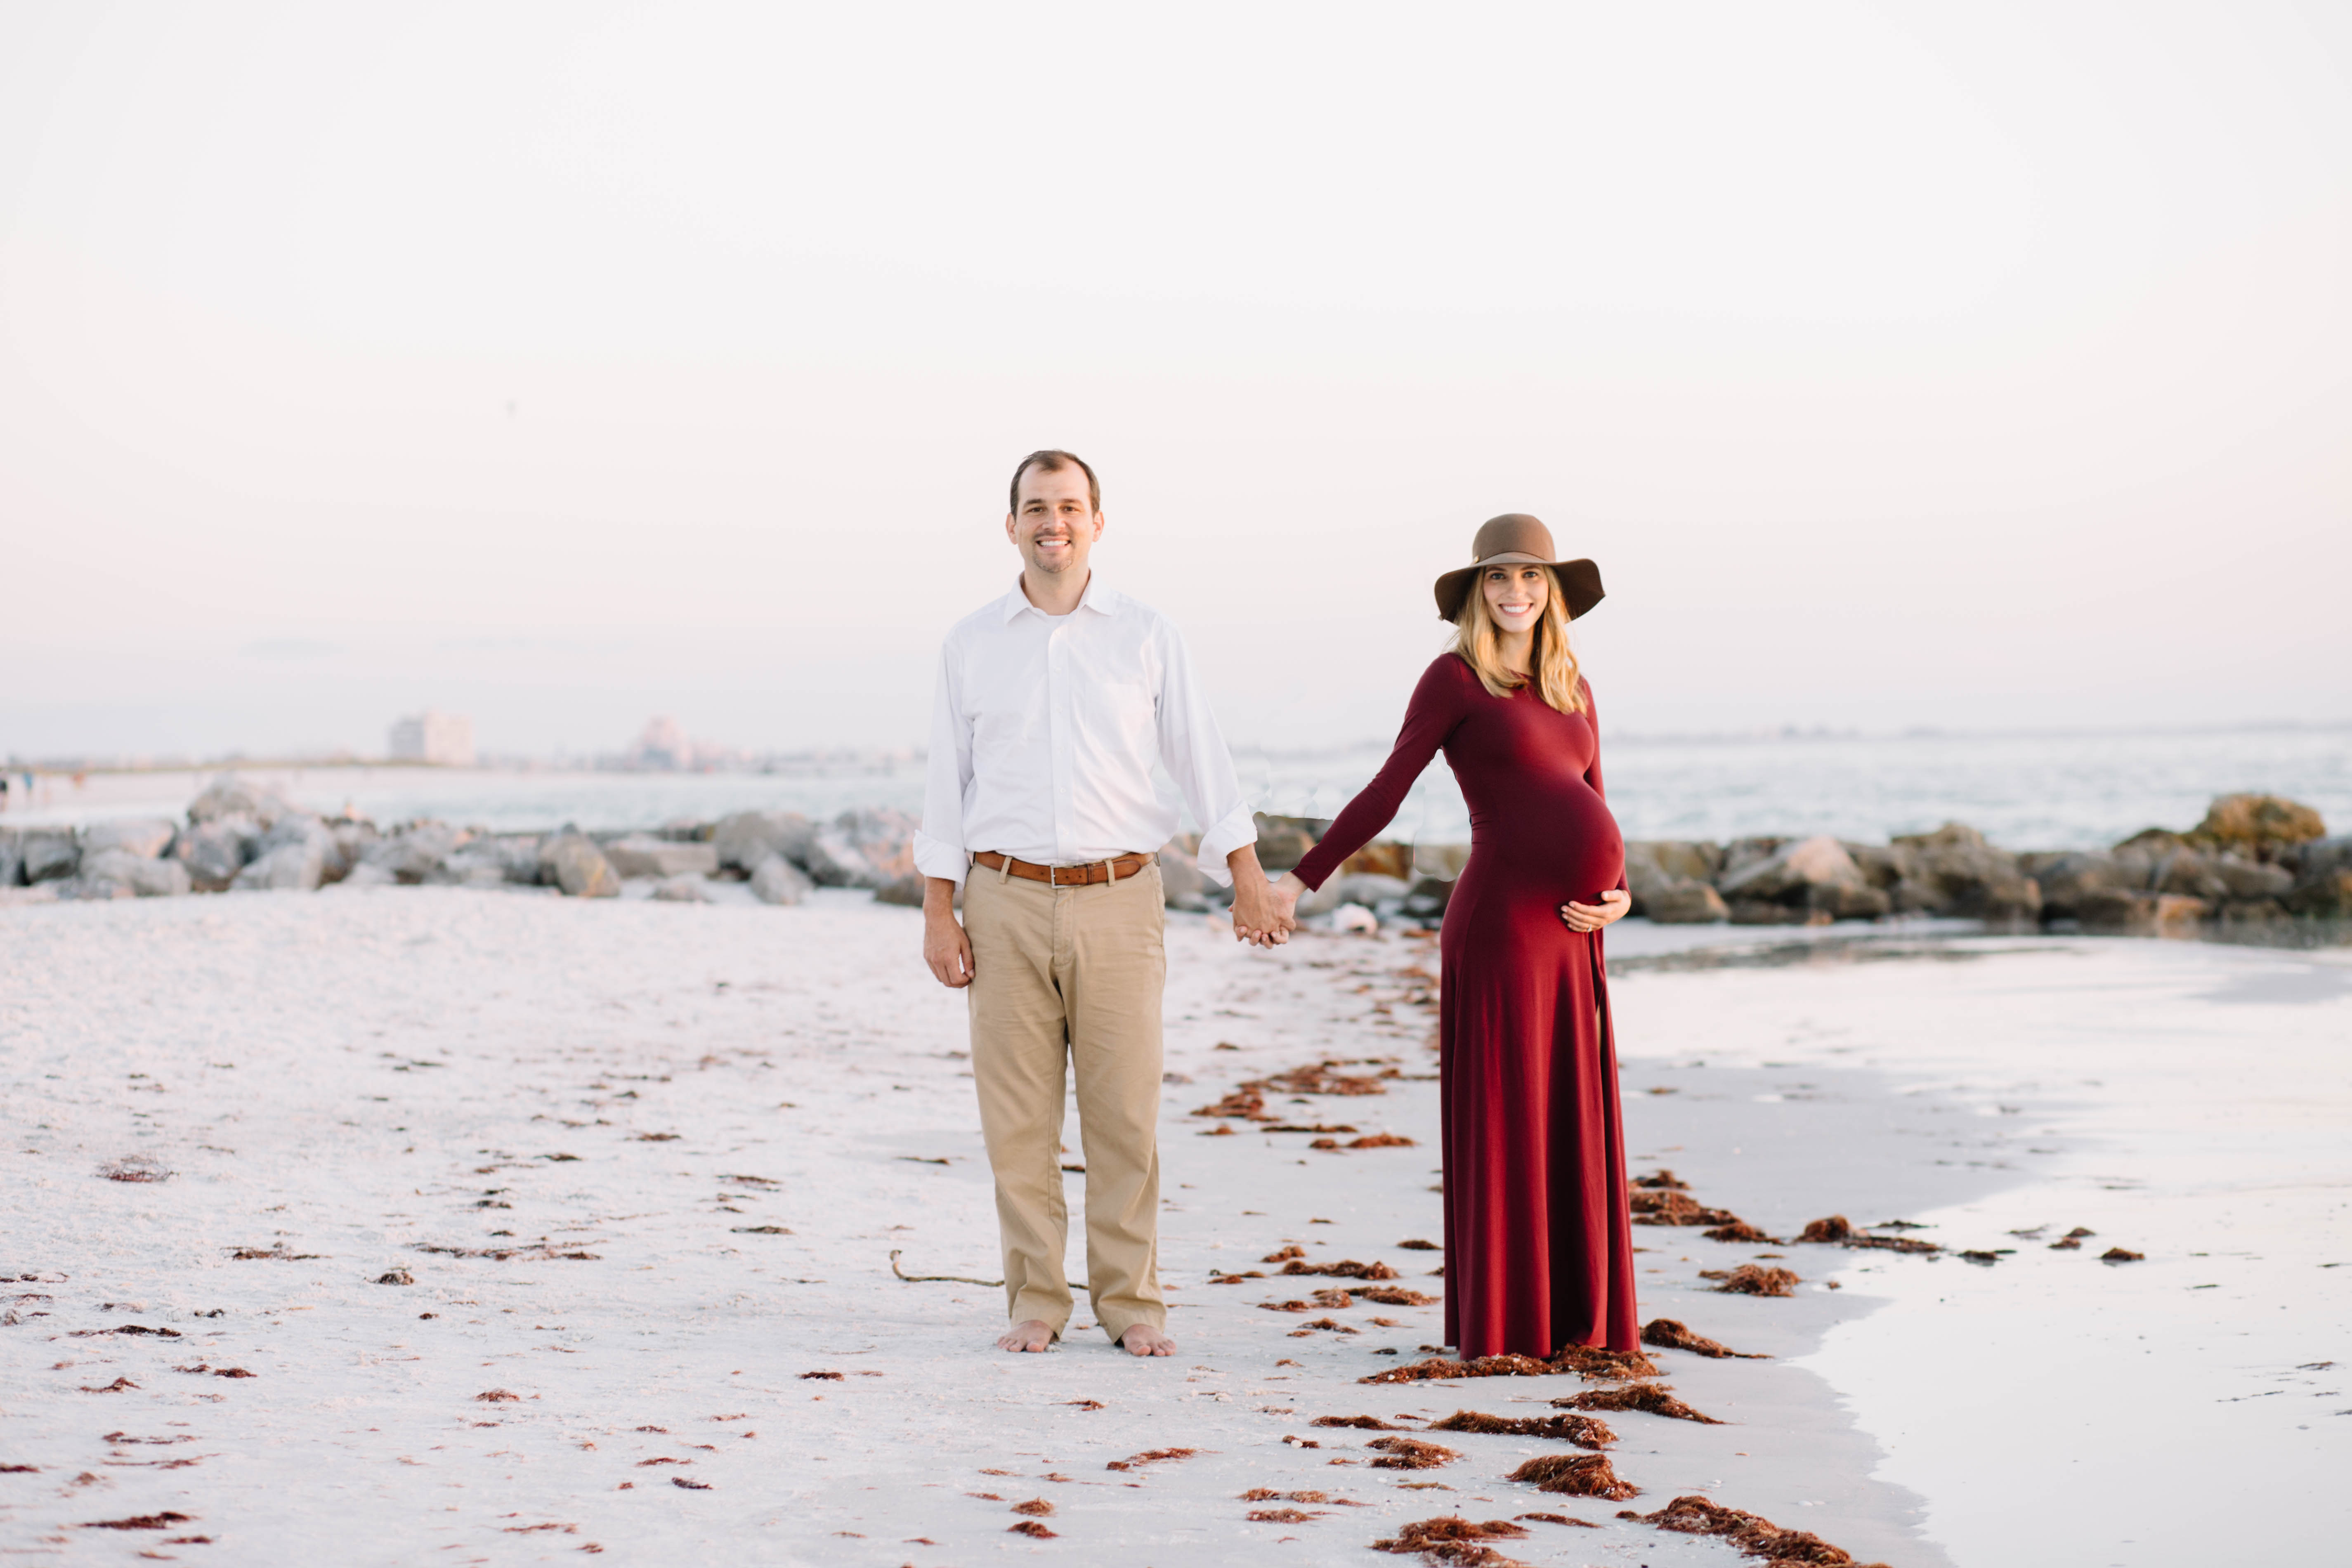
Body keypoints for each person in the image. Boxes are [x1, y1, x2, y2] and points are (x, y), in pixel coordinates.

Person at [913, 449, 1289, 1359]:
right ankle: (1036, 1299)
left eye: (1072, 507)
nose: (1055, 522)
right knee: (1019, 1121)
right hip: (1002, 898)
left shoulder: (1147, 634)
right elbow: (944, 785)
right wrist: (939, 908)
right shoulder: (970, 644)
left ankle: (1131, 1303)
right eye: (1037, 508)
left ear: (1098, 522)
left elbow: (1204, 759)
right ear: (1011, 525)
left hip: (1121, 897)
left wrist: (1246, 875)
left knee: (1124, 1116)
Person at [1265, 513, 1638, 1358]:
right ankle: (1511, 1324)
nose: (1516, 592)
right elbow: (1387, 791)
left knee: (1569, 1116)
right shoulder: (1454, 678)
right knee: (1512, 1119)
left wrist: (1621, 893)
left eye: (1532, 578)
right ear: (1477, 591)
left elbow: (1599, 801)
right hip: (1502, 927)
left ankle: (1578, 1318)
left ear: (1553, 592)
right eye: (1499, 579)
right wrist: (1300, 879)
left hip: (1573, 935)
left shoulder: (1573, 684)